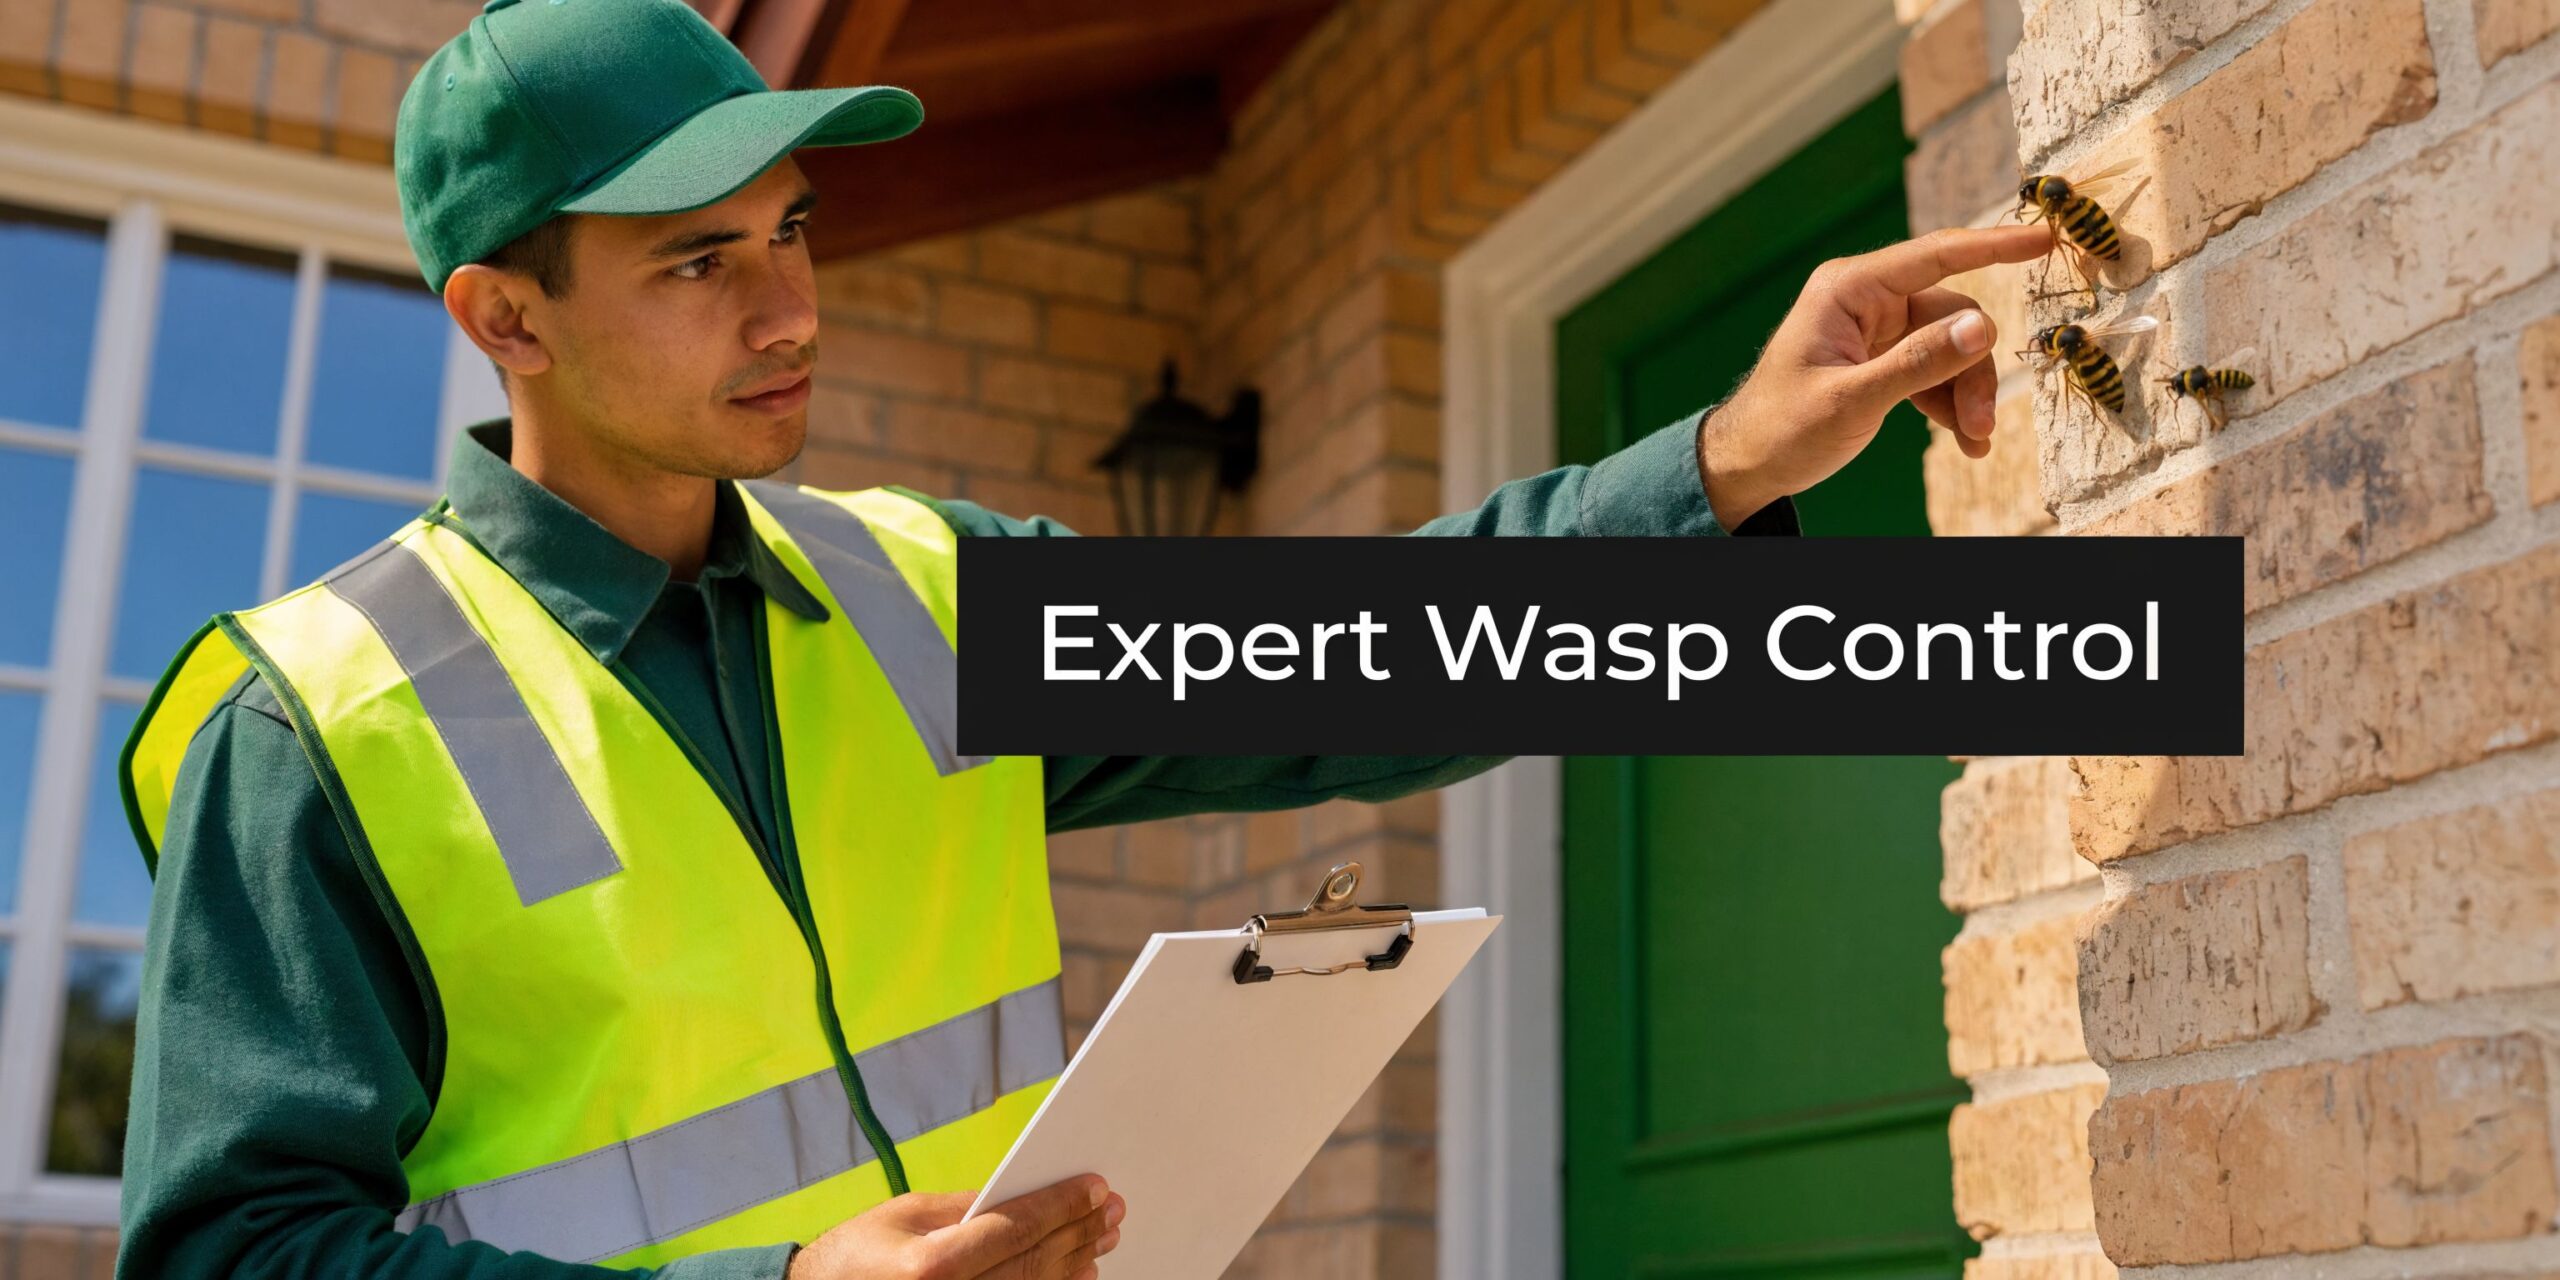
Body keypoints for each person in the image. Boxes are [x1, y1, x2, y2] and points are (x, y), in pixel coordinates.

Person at [112, 1, 2049, 1277]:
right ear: (502, 320)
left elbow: (1358, 656)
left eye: (791, 232)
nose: (787, 309)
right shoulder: (315, 728)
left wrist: (1712, 465)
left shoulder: (913, 595)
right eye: (698, 265)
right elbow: (232, 1258)